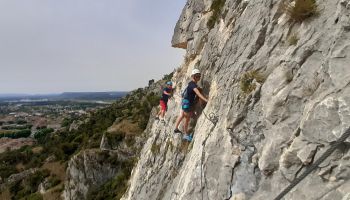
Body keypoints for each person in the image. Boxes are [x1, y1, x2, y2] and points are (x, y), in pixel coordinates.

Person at [174, 69, 208, 142]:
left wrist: (199, 89)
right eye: (197, 76)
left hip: (185, 102)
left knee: (182, 115)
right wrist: (206, 100)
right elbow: (198, 94)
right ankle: (186, 134)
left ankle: (176, 128)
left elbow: (195, 90)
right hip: (188, 104)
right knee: (187, 119)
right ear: (193, 76)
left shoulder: (191, 83)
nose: (198, 78)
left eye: (199, 76)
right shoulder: (193, 85)